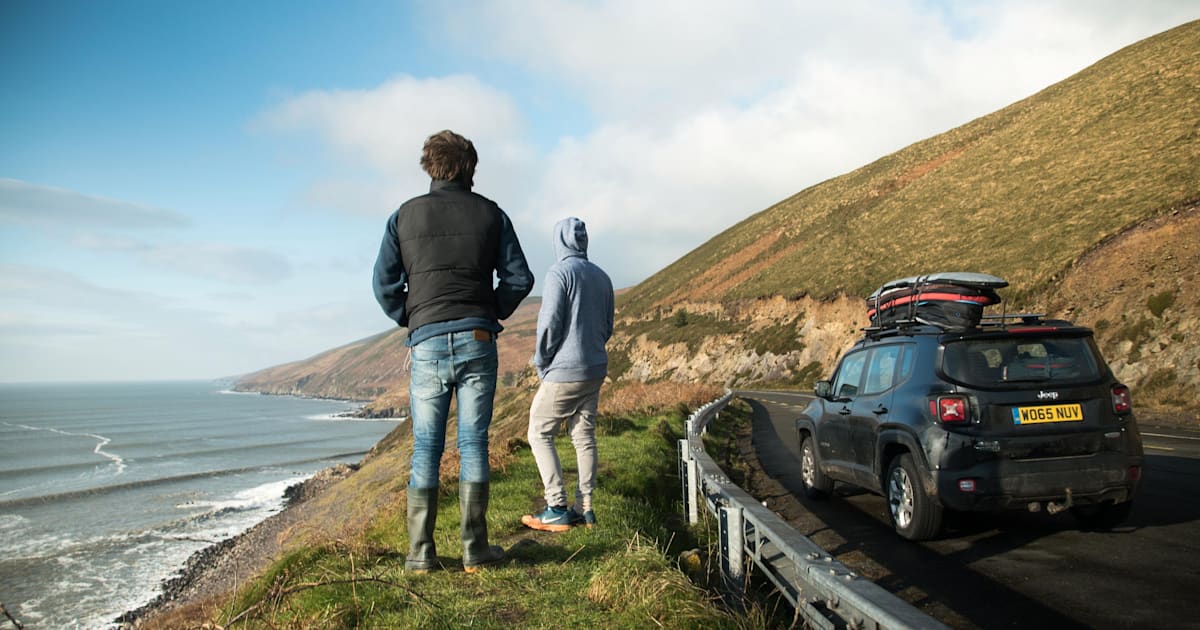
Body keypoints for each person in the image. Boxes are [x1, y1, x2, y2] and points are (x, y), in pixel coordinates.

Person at [372, 129, 534, 573]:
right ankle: (474, 549)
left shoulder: (403, 217)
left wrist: (415, 317)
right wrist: (488, 311)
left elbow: (383, 285)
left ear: (430, 166)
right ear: (471, 168)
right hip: (479, 339)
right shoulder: (492, 215)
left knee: (426, 446)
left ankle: (420, 553)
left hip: (426, 343)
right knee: (473, 443)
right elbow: (520, 279)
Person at [521, 216, 614, 532]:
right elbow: (607, 327)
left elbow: (549, 324)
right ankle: (585, 509)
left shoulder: (558, 273)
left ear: (559, 241)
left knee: (538, 431)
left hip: (564, 370)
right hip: (595, 368)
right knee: (583, 435)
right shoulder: (602, 277)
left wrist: (541, 362)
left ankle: (557, 506)